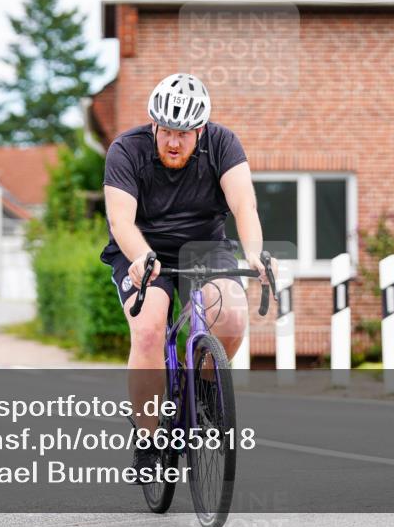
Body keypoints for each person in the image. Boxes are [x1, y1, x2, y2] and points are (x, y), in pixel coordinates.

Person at [100, 73, 275, 477]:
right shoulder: (126, 150)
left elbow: (244, 206)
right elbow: (121, 221)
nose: (173, 142)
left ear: (201, 130)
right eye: (166, 132)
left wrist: (254, 252)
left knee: (231, 316)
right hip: (142, 250)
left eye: (183, 133)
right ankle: (146, 441)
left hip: (205, 249)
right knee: (148, 329)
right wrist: (141, 255)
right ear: (154, 125)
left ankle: (207, 389)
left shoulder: (223, 144)